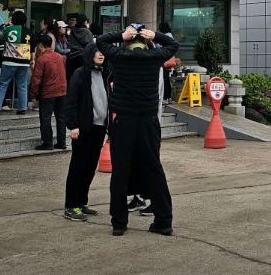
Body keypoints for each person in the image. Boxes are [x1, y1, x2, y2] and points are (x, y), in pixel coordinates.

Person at [96, 24, 178, 237]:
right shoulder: (154, 57)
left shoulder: (119, 56)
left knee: (120, 172)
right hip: (148, 121)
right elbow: (173, 45)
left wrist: (123, 35)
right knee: (154, 168)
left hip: (123, 121)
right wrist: (155, 35)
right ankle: (163, 221)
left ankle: (119, 223)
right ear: (147, 41)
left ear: (127, 42)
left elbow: (101, 41)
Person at [62, 43, 110, 221]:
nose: (101, 55)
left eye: (103, 52)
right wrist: (73, 125)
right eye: (97, 52)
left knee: (90, 167)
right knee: (78, 166)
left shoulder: (105, 74)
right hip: (83, 128)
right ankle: (70, 205)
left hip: (100, 127)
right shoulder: (80, 74)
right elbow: (71, 101)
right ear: (90, 54)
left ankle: (82, 201)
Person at [30, 34, 68, 150]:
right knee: (61, 117)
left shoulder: (41, 59)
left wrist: (33, 94)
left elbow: (36, 79)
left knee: (45, 117)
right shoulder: (60, 57)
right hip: (62, 91)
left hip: (48, 92)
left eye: (38, 45)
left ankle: (47, 142)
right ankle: (62, 142)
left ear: (41, 45)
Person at [0, 10, 34, 115]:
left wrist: (4, 27)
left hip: (9, 62)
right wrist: (32, 61)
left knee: (2, 85)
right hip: (24, 62)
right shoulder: (29, 32)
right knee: (22, 86)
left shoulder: (8, 29)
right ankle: (22, 109)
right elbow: (32, 49)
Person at [66, 14, 94, 83]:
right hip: (83, 57)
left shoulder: (72, 31)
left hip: (72, 57)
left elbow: (70, 42)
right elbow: (91, 46)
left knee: (73, 78)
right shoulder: (87, 32)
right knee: (83, 79)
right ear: (85, 22)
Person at [158, 22, 174, 104]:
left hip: (165, 61)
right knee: (167, 79)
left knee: (164, 79)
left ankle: (165, 97)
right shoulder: (170, 35)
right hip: (169, 60)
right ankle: (169, 97)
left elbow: (159, 46)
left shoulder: (165, 36)